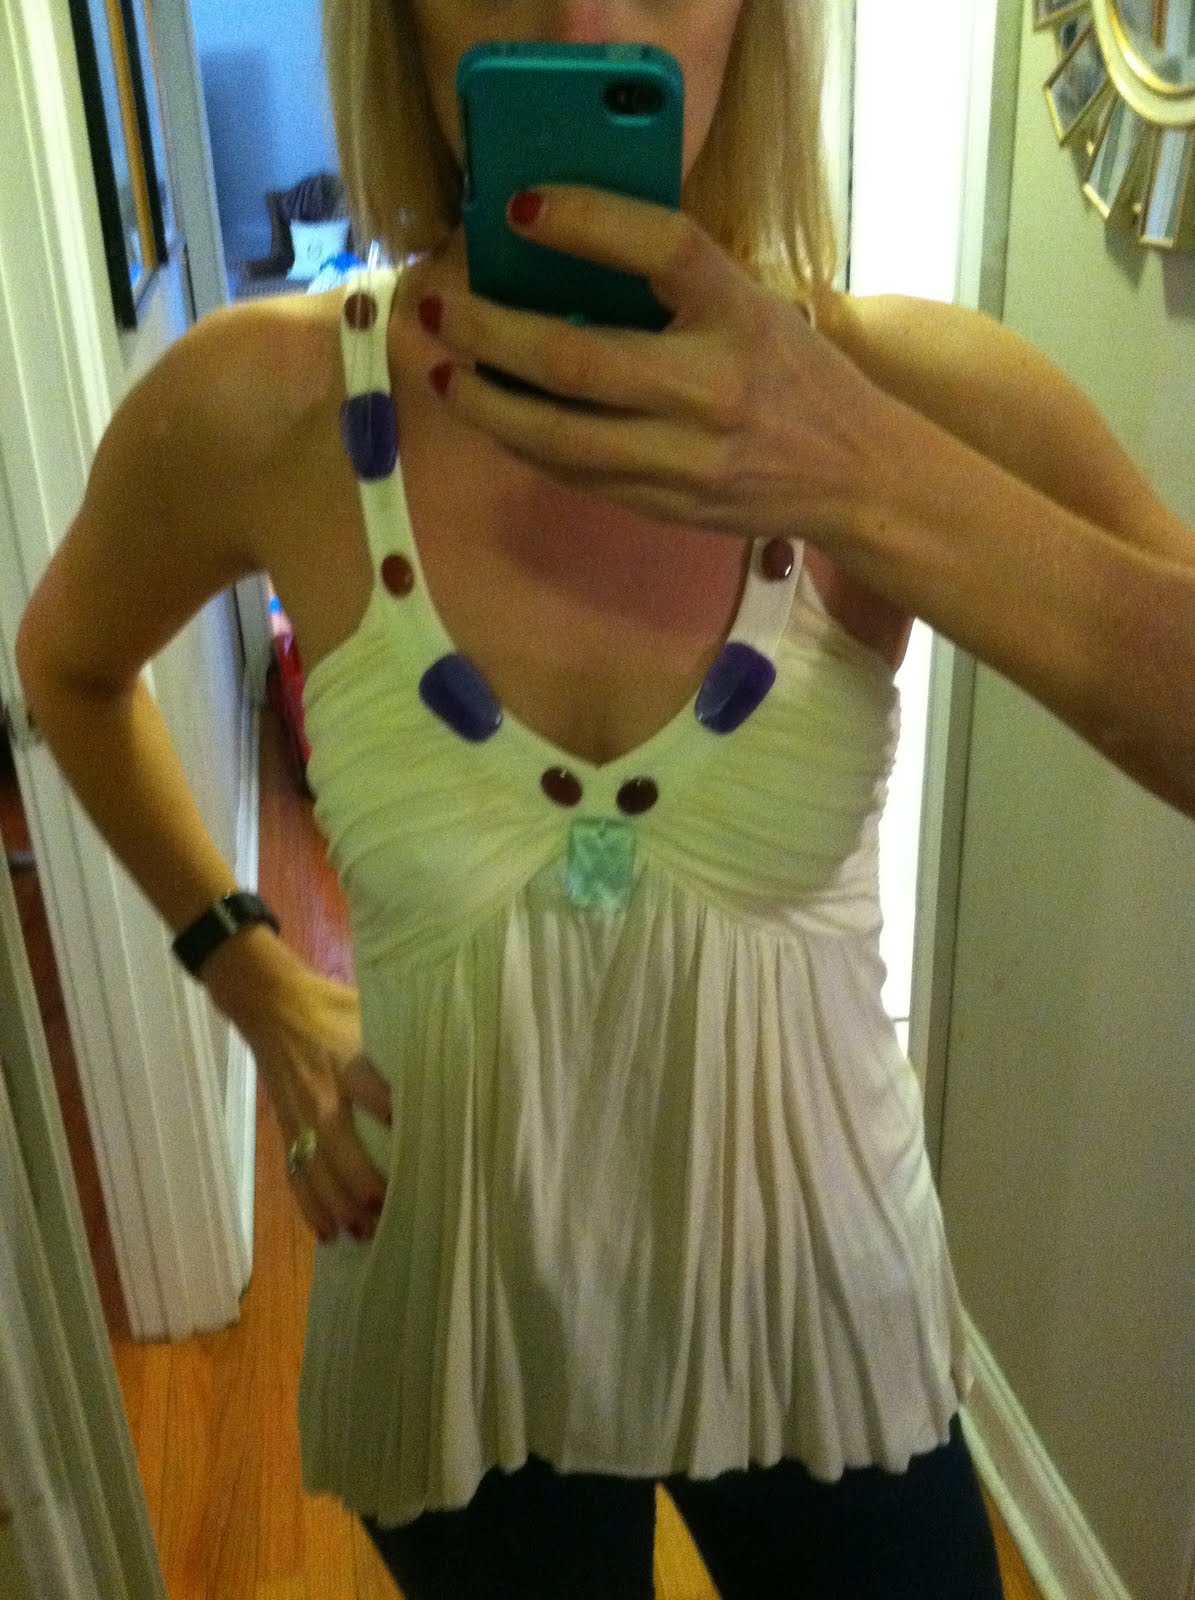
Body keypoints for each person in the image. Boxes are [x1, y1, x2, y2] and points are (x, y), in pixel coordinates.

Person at [15, 0, 1195, 1595]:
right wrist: (257, 981)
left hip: (816, 1301)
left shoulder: (907, 392)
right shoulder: (263, 407)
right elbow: (67, 665)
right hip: (465, 1306)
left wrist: (856, 469)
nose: (580, 13)